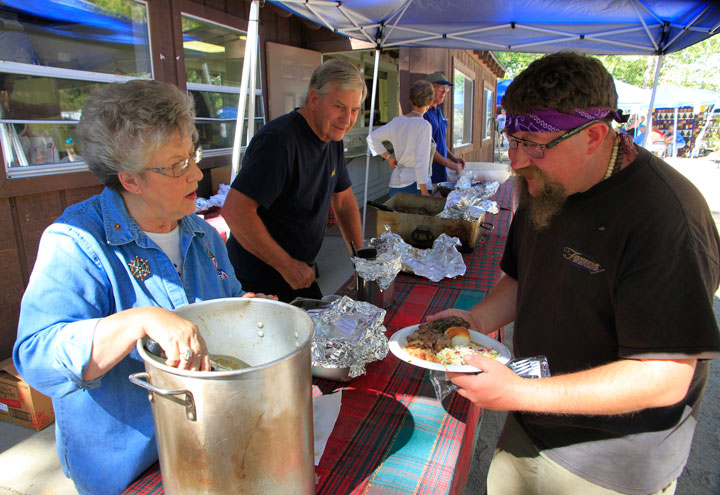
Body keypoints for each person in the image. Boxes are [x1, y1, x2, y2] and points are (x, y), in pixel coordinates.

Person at [429, 52, 720, 495]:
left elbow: (665, 375)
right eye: (513, 140)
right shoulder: (542, 185)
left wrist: (518, 394)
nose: (519, 161)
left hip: (609, 463)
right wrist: (477, 320)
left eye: (534, 145)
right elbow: (521, 277)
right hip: (529, 423)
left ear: (595, 136)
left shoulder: (665, 217)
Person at [13, 80, 269, 495]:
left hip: (208, 445)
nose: (196, 173)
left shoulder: (202, 234)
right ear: (130, 180)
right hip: (131, 470)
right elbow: (36, 358)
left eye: (193, 155)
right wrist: (139, 320)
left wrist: (245, 312)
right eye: (175, 166)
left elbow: (221, 313)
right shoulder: (76, 242)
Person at [223, 59, 366, 303]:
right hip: (258, 283)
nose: (348, 119)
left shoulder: (333, 139)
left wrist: (361, 260)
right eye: (340, 107)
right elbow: (235, 211)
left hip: (297, 275)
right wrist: (287, 265)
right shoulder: (279, 141)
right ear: (313, 99)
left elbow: (343, 201)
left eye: (354, 110)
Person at [366, 79, 434, 196]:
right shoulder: (423, 125)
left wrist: (389, 157)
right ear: (430, 103)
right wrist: (424, 191)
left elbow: (372, 138)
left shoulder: (397, 122)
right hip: (415, 185)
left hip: (396, 184)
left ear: (411, 100)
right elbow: (421, 160)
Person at [424, 72, 465, 184]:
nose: (444, 92)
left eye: (446, 89)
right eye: (441, 87)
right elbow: (426, 147)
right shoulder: (423, 113)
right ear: (429, 88)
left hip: (440, 171)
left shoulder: (439, 112)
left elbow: (438, 141)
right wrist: (450, 164)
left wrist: (453, 158)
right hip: (426, 174)